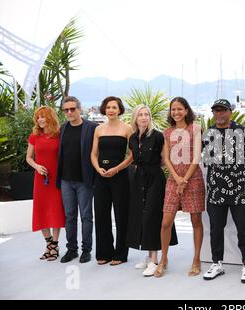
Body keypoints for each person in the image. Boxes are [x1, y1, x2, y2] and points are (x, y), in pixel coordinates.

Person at [202, 98, 245, 283]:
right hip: (216, 190)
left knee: (244, 228)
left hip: (239, 189)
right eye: (216, 110)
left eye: (223, 110)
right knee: (216, 228)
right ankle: (217, 263)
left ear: (230, 112)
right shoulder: (209, 133)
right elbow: (206, 161)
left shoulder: (241, 131)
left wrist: (235, 177)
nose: (219, 114)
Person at [155, 97, 205, 277]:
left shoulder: (196, 129)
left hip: (193, 179)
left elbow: (196, 157)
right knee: (166, 222)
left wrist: (185, 179)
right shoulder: (166, 132)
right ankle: (164, 259)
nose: (176, 112)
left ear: (186, 110)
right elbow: (166, 158)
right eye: (173, 109)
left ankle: (196, 259)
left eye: (179, 109)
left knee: (196, 221)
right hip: (173, 180)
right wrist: (177, 178)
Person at [127, 105, 178, 276]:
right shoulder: (133, 138)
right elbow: (133, 159)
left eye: (146, 114)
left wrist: (176, 179)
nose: (143, 117)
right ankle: (149, 257)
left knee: (152, 216)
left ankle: (155, 260)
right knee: (141, 216)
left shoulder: (157, 136)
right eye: (140, 115)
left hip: (155, 179)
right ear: (135, 118)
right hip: (138, 180)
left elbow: (165, 160)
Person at [91, 96, 133, 266]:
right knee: (101, 214)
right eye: (108, 107)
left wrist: (116, 169)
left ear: (119, 109)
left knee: (121, 214)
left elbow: (131, 155)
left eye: (114, 107)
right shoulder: (99, 129)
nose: (111, 110)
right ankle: (103, 252)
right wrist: (97, 168)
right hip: (100, 176)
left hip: (120, 175)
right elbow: (93, 154)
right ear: (104, 109)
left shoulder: (127, 128)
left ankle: (121, 254)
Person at [57, 96, 98, 264]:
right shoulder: (63, 128)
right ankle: (71, 249)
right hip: (66, 180)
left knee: (86, 216)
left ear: (79, 109)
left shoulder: (92, 128)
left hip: (84, 180)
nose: (69, 112)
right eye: (66, 110)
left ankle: (86, 250)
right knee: (69, 216)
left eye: (72, 109)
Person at [26, 106, 65, 261]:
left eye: (43, 116)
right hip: (40, 180)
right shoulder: (34, 136)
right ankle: (49, 245)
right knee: (41, 210)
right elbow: (29, 157)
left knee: (55, 210)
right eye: (38, 117)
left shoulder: (59, 135)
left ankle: (54, 245)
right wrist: (37, 166)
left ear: (50, 117)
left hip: (56, 179)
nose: (40, 120)